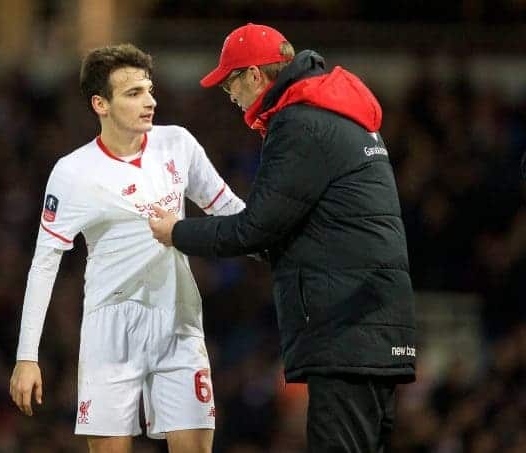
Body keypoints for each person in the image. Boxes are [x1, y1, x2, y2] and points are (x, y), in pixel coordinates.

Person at [149, 23, 416, 452]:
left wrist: (176, 232)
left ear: (256, 76)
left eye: (230, 83)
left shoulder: (300, 122)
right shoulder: (335, 112)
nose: (231, 96)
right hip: (371, 320)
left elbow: (255, 228)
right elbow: (295, 227)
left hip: (344, 325)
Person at [9, 43, 245, 453]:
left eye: (149, 89)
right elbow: (44, 265)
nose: (150, 101)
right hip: (110, 330)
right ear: (101, 103)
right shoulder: (73, 173)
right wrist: (26, 356)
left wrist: (288, 229)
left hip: (179, 320)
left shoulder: (178, 144)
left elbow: (231, 211)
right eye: (134, 93)